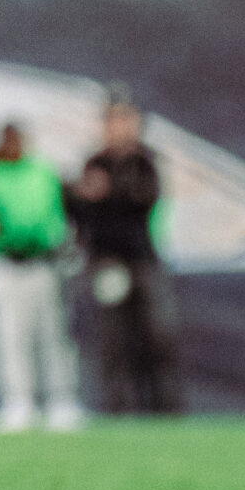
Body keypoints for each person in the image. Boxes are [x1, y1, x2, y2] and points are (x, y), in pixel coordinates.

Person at [66, 94, 182, 414]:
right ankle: (116, 407)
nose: (119, 127)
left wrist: (106, 191)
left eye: (125, 119)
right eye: (113, 120)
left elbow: (142, 199)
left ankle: (163, 409)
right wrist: (81, 196)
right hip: (107, 262)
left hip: (141, 259)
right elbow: (81, 209)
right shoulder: (95, 163)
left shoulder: (144, 161)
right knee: (114, 340)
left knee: (156, 336)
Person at [0, 124, 84, 432]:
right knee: (8, 337)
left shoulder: (43, 172)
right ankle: (17, 401)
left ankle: (62, 401)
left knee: (53, 335)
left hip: (42, 262)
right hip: (3, 263)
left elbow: (59, 214)